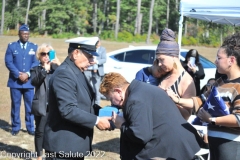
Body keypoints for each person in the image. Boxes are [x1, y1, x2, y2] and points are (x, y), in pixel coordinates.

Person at [166, 33, 240, 160]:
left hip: (231, 146)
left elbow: (238, 118)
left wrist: (212, 120)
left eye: (219, 58)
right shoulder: (219, 83)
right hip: (215, 145)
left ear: (231, 60)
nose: (215, 61)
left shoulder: (238, 86)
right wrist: (177, 100)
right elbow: (200, 101)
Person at [99, 72, 201, 160]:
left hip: (172, 152)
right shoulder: (142, 89)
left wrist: (121, 124)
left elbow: (140, 135)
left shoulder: (135, 99)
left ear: (118, 91)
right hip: (180, 148)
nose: (112, 103)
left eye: (110, 99)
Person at [43, 37, 112, 160]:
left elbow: (84, 103)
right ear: (76, 54)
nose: (93, 61)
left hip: (73, 145)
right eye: (90, 56)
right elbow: (68, 110)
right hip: (63, 147)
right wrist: (97, 120)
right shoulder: (64, 74)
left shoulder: (76, 71)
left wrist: (105, 113)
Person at [4, 24, 39, 136]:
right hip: (15, 82)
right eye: (24, 34)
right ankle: (15, 127)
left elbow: (36, 62)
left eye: (27, 34)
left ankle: (30, 127)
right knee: (16, 105)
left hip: (28, 82)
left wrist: (27, 74)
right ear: (19, 34)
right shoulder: (12, 46)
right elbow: (8, 61)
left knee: (30, 106)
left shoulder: (34, 47)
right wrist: (18, 74)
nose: (26, 36)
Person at [156, 28, 196, 120]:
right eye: (158, 60)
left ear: (173, 56)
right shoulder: (164, 73)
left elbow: (186, 115)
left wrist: (172, 101)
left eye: (162, 59)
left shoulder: (186, 81)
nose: (159, 64)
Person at [30, 44, 61, 160]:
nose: (46, 56)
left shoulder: (57, 69)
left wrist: (57, 64)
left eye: (49, 53)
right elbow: (35, 82)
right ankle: (39, 155)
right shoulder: (36, 69)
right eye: (44, 54)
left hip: (54, 106)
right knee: (40, 131)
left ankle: (51, 154)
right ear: (39, 55)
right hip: (42, 105)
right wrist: (44, 70)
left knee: (53, 131)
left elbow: (65, 79)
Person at [84, 38, 107, 105]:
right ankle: (86, 102)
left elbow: (104, 59)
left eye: (98, 42)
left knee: (97, 89)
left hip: (97, 71)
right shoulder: (89, 48)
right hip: (88, 70)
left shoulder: (102, 49)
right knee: (85, 87)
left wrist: (96, 62)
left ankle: (97, 104)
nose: (97, 43)